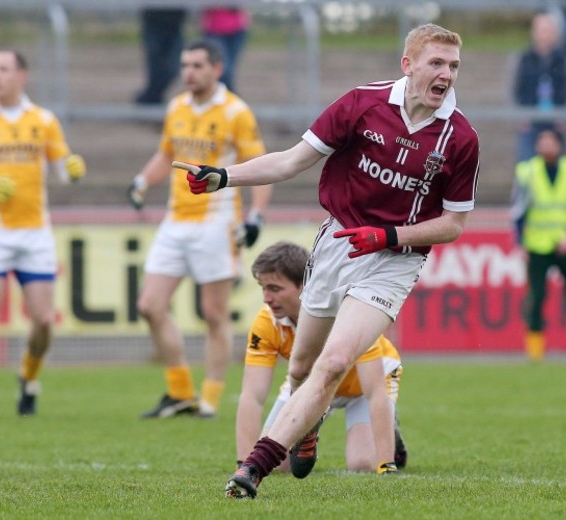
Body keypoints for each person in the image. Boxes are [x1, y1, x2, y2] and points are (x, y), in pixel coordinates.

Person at [181, 23, 480, 498]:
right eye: (437, 63)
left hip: (392, 260)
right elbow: (289, 161)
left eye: (454, 66)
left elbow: (453, 224)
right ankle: (311, 424)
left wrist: (388, 235)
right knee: (300, 367)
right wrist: (223, 176)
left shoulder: (460, 138)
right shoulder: (362, 103)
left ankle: (252, 470)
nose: (447, 74)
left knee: (335, 360)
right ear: (408, 65)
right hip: (338, 243)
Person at [127, 39, 272, 420]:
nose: (188, 72)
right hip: (176, 220)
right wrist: (143, 181)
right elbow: (166, 155)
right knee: (149, 305)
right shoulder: (176, 106)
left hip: (216, 221)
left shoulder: (235, 112)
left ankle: (209, 398)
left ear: (216, 69)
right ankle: (180, 392)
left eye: (196, 65)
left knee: (214, 313)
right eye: (185, 65)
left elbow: (259, 165)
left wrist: (255, 216)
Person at [0, 50, 87, 417]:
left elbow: (62, 169)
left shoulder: (43, 120)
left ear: (21, 76)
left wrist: (74, 169)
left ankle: (28, 376)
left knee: (44, 320)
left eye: (3, 69)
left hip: (34, 233)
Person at [236, 241, 408, 477]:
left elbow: (375, 390)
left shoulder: (347, 315)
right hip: (310, 385)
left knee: (362, 463)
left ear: (304, 286)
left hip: (362, 389)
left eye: (275, 289)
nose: (266, 298)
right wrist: (244, 463)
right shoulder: (266, 323)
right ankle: (310, 431)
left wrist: (386, 464)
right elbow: (252, 395)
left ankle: (392, 436)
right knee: (276, 465)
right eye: (262, 288)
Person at [510, 128, 566, 361]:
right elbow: (518, 212)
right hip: (537, 245)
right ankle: (535, 351)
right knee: (537, 297)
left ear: (560, 145)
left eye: (550, 141)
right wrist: (519, 243)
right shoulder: (527, 172)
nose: (545, 145)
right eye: (541, 141)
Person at [511, 11, 566, 162]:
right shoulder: (522, 59)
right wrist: (519, 117)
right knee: (525, 169)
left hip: (557, 124)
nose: (544, 35)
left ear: (555, 33)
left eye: (548, 30)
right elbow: (511, 89)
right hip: (530, 123)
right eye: (540, 30)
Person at [134, 7, 187, 105]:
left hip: (175, 24)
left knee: (175, 68)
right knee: (156, 68)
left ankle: (149, 99)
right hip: (154, 22)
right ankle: (151, 101)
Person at [201, 7, 251, 92]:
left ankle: (226, 99)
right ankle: (230, 98)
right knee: (223, 70)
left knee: (228, 70)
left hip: (237, 29)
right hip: (214, 29)